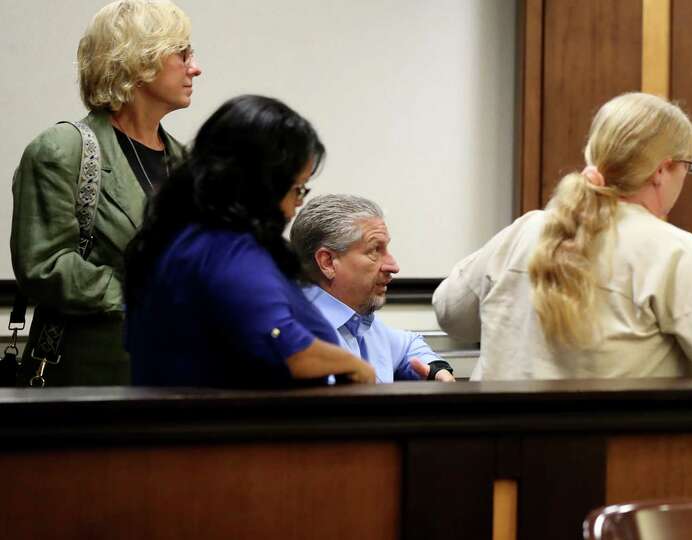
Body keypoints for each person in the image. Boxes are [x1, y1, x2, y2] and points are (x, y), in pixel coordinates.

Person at [433, 92, 692, 380]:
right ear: (661, 170)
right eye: (689, 166)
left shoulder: (525, 230)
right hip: (612, 465)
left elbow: (449, 311)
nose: (686, 178)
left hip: (498, 465)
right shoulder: (669, 251)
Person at [10, 0, 201, 385]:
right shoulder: (62, 150)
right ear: (137, 60)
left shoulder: (187, 163)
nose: (195, 67)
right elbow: (45, 266)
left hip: (181, 377)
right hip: (92, 387)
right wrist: (142, 296)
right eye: (182, 53)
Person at [123, 95, 375, 388]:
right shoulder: (227, 248)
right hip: (232, 428)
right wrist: (353, 364)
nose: (296, 207)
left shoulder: (171, 238)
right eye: (297, 189)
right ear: (265, 183)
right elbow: (285, 347)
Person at [290, 194, 456, 383]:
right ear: (327, 262)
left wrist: (436, 369)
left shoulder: (360, 322)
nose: (393, 266)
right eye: (374, 250)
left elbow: (410, 345)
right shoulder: (294, 334)